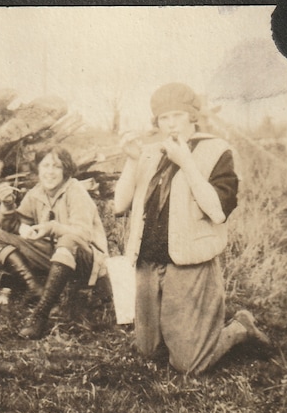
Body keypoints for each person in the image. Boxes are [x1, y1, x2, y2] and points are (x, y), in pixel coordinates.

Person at [114, 82, 270, 375]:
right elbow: (119, 205)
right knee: (148, 352)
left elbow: (218, 212)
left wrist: (186, 162)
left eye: (177, 115)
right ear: (156, 122)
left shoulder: (217, 150)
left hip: (189, 262)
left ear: (192, 117)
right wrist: (131, 160)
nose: (171, 124)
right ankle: (181, 332)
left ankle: (239, 328)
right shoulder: (150, 152)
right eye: (164, 118)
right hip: (148, 261)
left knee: (187, 364)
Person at [0, 146, 108, 339]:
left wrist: (52, 227)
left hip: (88, 260)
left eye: (56, 166)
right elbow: (13, 226)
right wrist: (8, 204)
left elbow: (83, 233)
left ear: (66, 170)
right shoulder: (37, 192)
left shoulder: (75, 190)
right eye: (45, 166)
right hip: (57, 257)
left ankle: (40, 314)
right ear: (38, 169)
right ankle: (37, 289)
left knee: (68, 240)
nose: (50, 172)